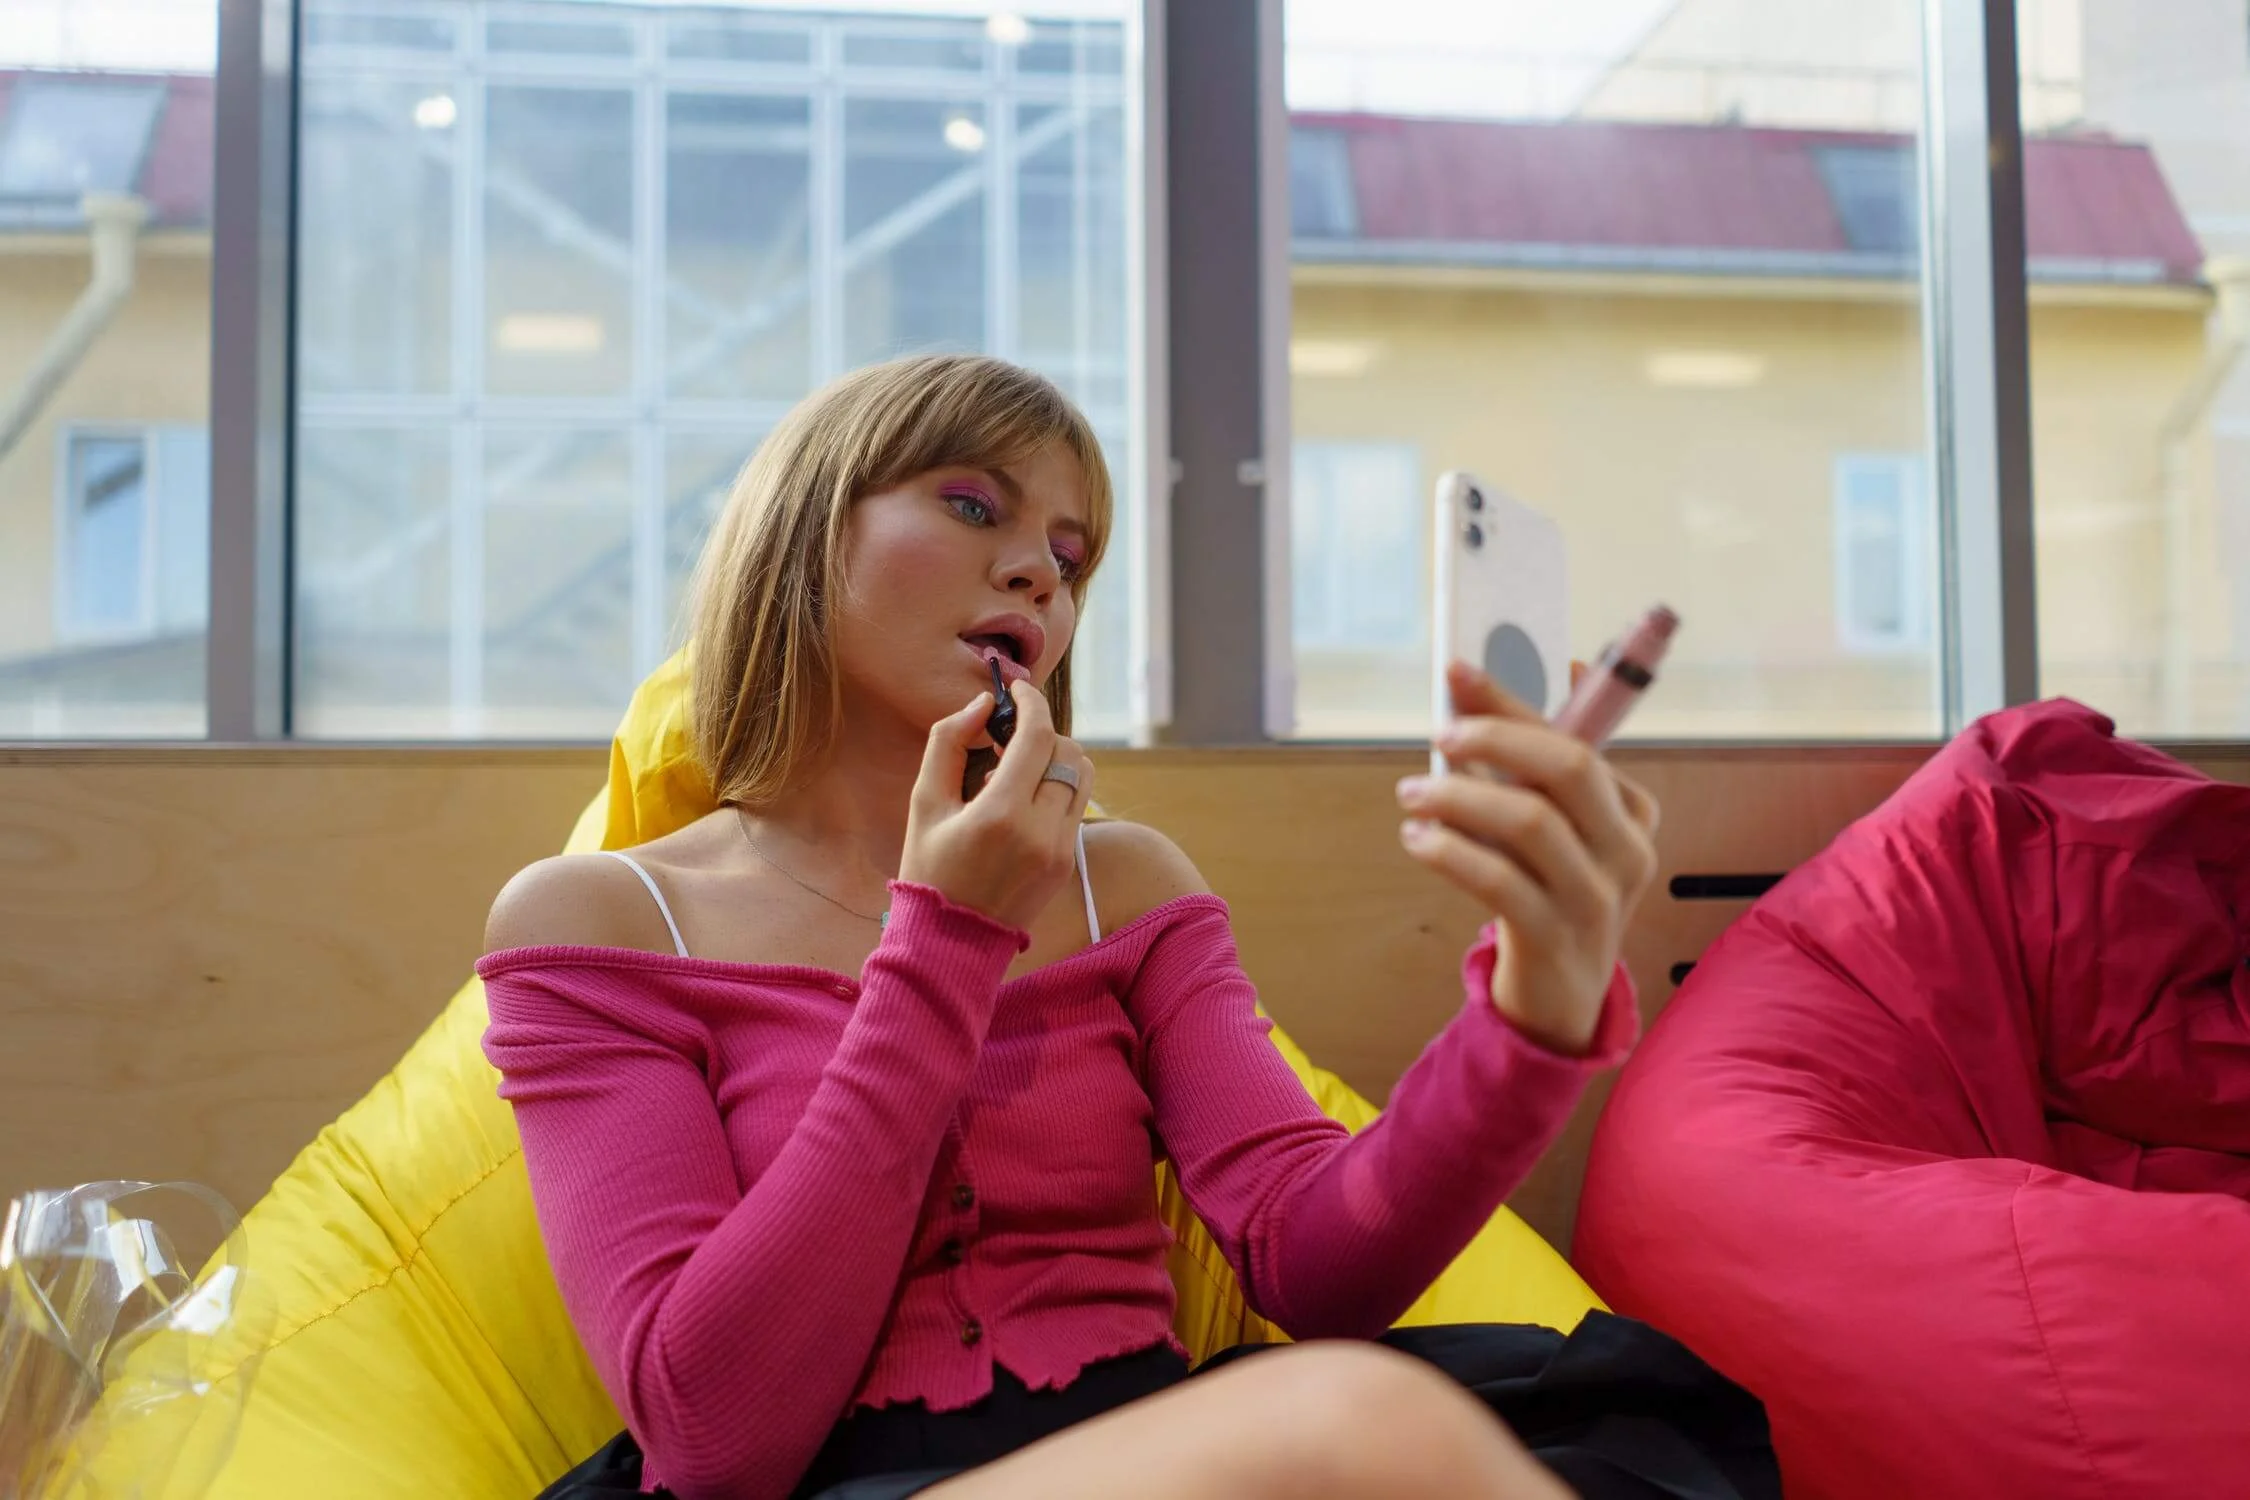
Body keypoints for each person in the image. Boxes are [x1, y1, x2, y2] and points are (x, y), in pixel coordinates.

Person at [479, 354, 1669, 1500]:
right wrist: (948, 943)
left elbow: (1315, 1264)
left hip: (1175, 1457)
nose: (1038, 575)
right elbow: (714, 1437)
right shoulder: (597, 922)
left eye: (1067, 554)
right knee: (1366, 1422)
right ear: (804, 528)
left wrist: (1530, 1019)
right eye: (968, 503)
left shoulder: (1125, 886)